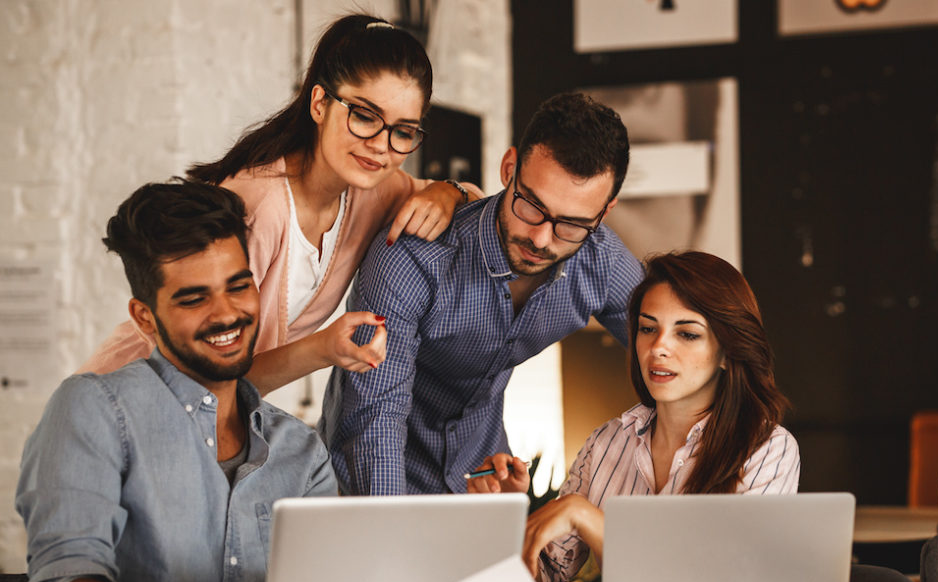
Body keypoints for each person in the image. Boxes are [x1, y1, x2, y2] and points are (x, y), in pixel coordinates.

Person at [79, 14, 480, 389]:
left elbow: (478, 209)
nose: (380, 145)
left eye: (403, 131)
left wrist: (449, 191)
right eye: (364, 115)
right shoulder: (259, 208)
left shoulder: (372, 190)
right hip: (131, 399)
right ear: (320, 103)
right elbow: (206, 378)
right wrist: (324, 349)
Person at [318, 92, 645, 496]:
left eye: (572, 224)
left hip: (482, 487)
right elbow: (375, 422)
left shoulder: (600, 259)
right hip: (378, 488)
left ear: (605, 211)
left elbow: (682, 355)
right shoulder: (413, 258)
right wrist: (391, 534)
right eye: (531, 206)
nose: (541, 239)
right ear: (509, 169)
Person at [17, 180, 337, 582]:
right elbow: (69, 566)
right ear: (144, 317)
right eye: (193, 299)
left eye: (239, 287)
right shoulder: (93, 410)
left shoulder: (302, 452)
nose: (226, 314)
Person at [468, 250, 801, 581]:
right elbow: (548, 575)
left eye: (686, 333)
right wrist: (505, 513)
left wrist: (591, 521)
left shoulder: (767, 449)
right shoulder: (605, 443)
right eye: (647, 328)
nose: (658, 347)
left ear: (728, 352)